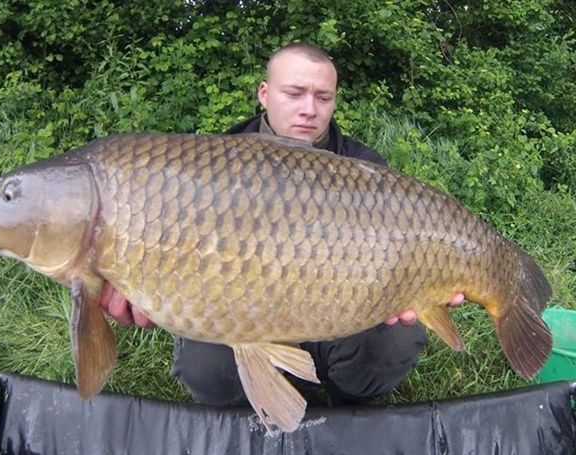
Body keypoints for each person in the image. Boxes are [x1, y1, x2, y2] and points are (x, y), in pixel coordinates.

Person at [101, 42, 464, 408]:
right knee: (205, 367)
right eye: (294, 93)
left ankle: (346, 400)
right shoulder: (214, 164)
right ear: (264, 93)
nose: (309, 109)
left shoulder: (364, 168)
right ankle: (252, 398)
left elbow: (403, 248)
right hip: (240, 315)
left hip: (336, 316)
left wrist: (417, 281)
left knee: (396, 338)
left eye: (323, 97)